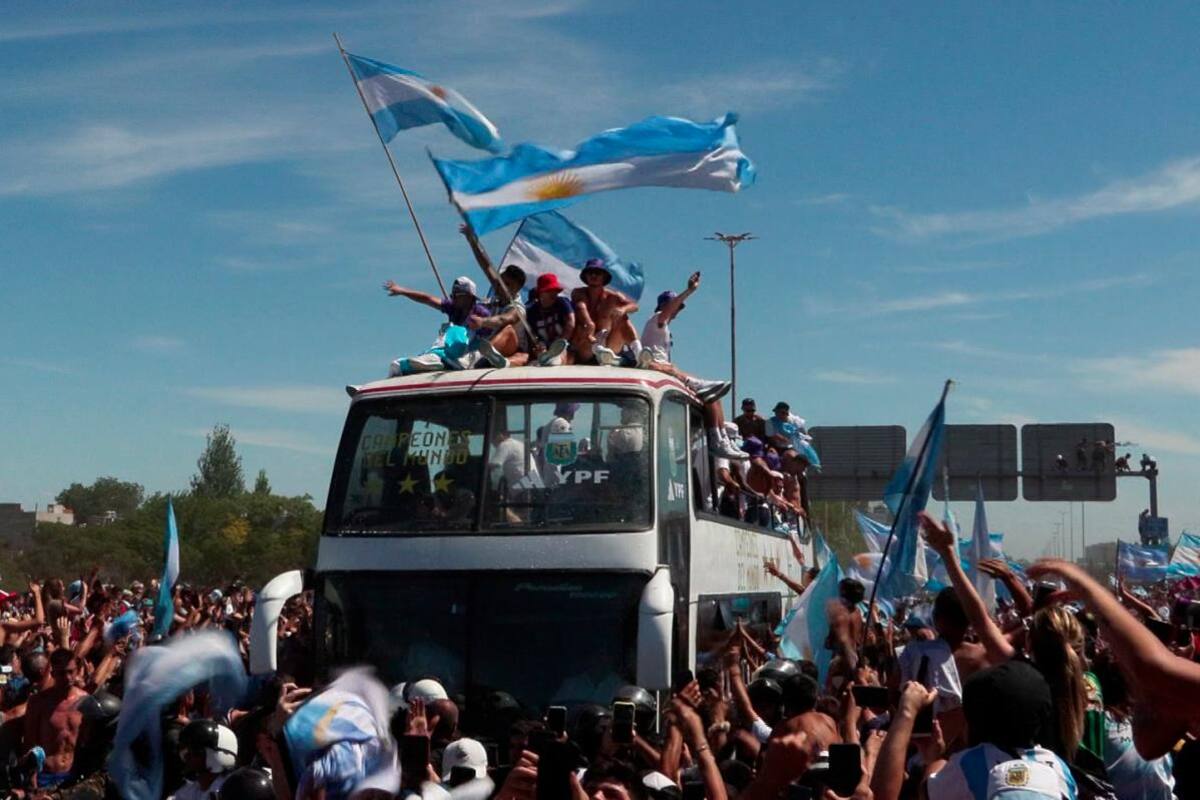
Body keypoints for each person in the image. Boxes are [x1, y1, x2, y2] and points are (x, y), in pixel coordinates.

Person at [383, 276, 490, 375]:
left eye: (456, 295)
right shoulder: (453, 308)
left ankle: (449, 361)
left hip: (468, 353)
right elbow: (427, 299)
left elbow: (489, 338)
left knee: (458, 330)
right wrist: (402, 291)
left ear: (469, 297)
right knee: (396, 366)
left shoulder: (481, 313)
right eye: (452, 295)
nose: (453, 299)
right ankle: (440, 358)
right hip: (448, 351)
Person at [22, 650, 87, 789]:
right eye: (62, 673)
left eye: (71, 672)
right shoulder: (38, 702)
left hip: (73, 774)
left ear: (77, 671)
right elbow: (30, 741)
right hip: (45, 775)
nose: (68, 677)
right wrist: (32, 775)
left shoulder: (85, 701)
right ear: (53, 674)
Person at [571, 259, 639, 365]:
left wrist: (623, 309)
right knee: (584, 326)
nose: (594, 275)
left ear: (604, 277)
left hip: (608, 347)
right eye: (590, 272)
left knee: (623, 318)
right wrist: (590, 324)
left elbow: (634, 306)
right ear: (586, 276)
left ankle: (638, 352)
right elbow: (581, 307)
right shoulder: (578, 293)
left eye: (597, 273)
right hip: (586, 348)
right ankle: (601, 352)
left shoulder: (613, 297)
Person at [171, 720, 239, 800]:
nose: (187, 757)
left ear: (218, 756)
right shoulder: (188, 790)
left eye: (196, 752)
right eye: (185, 752)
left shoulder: (232, 791)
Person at [525, 273, 575, 366]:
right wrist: (538, 346)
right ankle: (546, 359)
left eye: (555, 290)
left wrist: (558, 345)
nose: (554, 293)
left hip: (565, 346)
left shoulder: (562, 303)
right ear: (540, 293)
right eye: (549, 290)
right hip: (544, 349)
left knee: (564, 354)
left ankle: (554, 360)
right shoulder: (531, 312)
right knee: (538, 354)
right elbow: (532, 336)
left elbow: (570, 323)